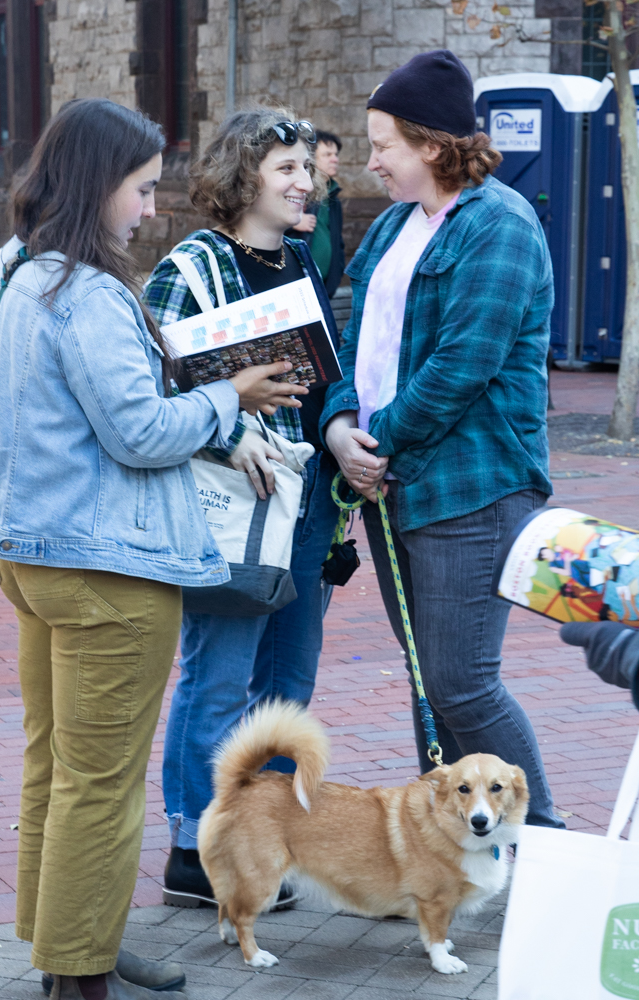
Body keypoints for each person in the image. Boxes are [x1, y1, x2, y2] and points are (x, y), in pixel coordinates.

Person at [0, 98, 306, 1000]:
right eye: (143, 188)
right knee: (102, 786)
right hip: (106, 568)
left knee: (58, 765)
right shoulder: (83, 291)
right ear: (96, 185)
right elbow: (141, 433)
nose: (153, 208)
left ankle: (69, 941)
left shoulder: (10, 271)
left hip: (34, 552)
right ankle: (78, 971)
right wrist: (230, 395)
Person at [320, 49, 564, 830]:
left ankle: (546, 847)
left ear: (430, 144)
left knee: (463, 682)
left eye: (382, 144)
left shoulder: (500, 226)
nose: (371, 162)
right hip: (394, 482)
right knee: (431, 682)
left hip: (474, 485)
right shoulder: (395, 225)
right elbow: (349, 338)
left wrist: (374, 439)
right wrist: (338, 429)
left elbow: (464, 366)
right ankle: (452, 856)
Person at [142, 107, 342, 906]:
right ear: (244, 176)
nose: (307, 181)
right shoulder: (188, 269)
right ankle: (196, 845)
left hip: (308, 499)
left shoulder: (299, 262)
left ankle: (264, 840)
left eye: (309, 169)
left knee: (287, 680)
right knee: (219, 677)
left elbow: (327, 374)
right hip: (232, 502)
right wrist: (230, 436)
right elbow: (150, 391)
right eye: (288, 168)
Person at [288, 129, 346, 297]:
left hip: (324, 288)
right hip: (296, 288)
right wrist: (294, 221)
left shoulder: (333, 195)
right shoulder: (299, 190)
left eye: (336, 154)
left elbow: (338, 242)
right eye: (327, 155)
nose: (335, 159)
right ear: (311, 159)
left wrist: (336, 274)